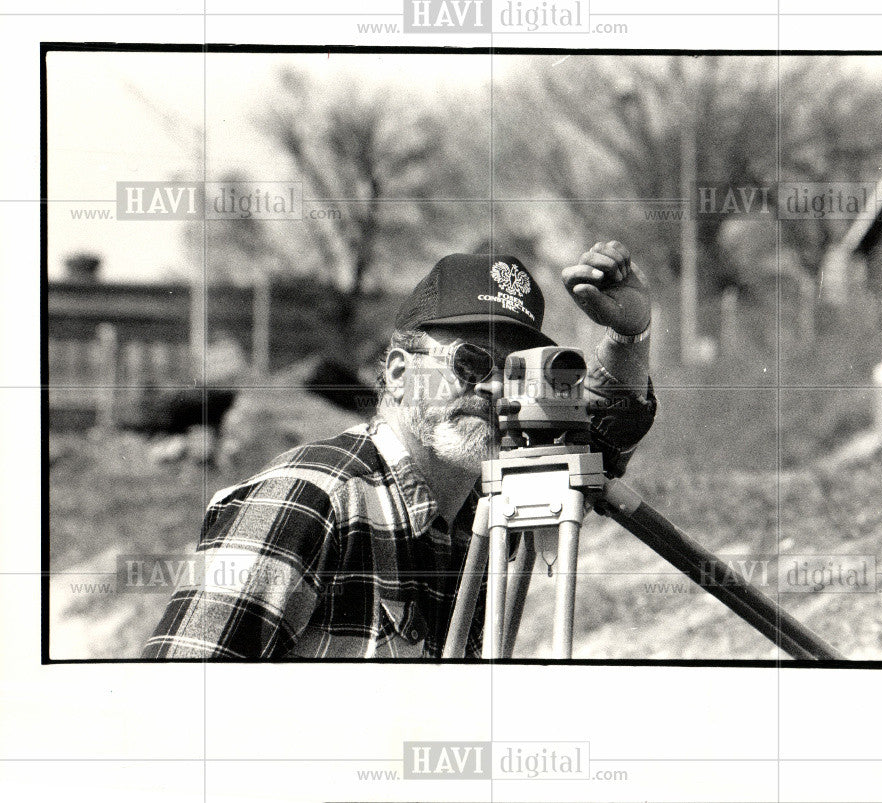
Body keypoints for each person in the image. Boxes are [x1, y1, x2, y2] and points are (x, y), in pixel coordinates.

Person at [142, 241, 657, 659]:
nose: (494, 387)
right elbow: (176, 702)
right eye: (471, 362)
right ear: (396, 373)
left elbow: (595, 451)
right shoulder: (311, 498)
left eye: (516, 370)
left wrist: (627, 338)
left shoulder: (492, 510)